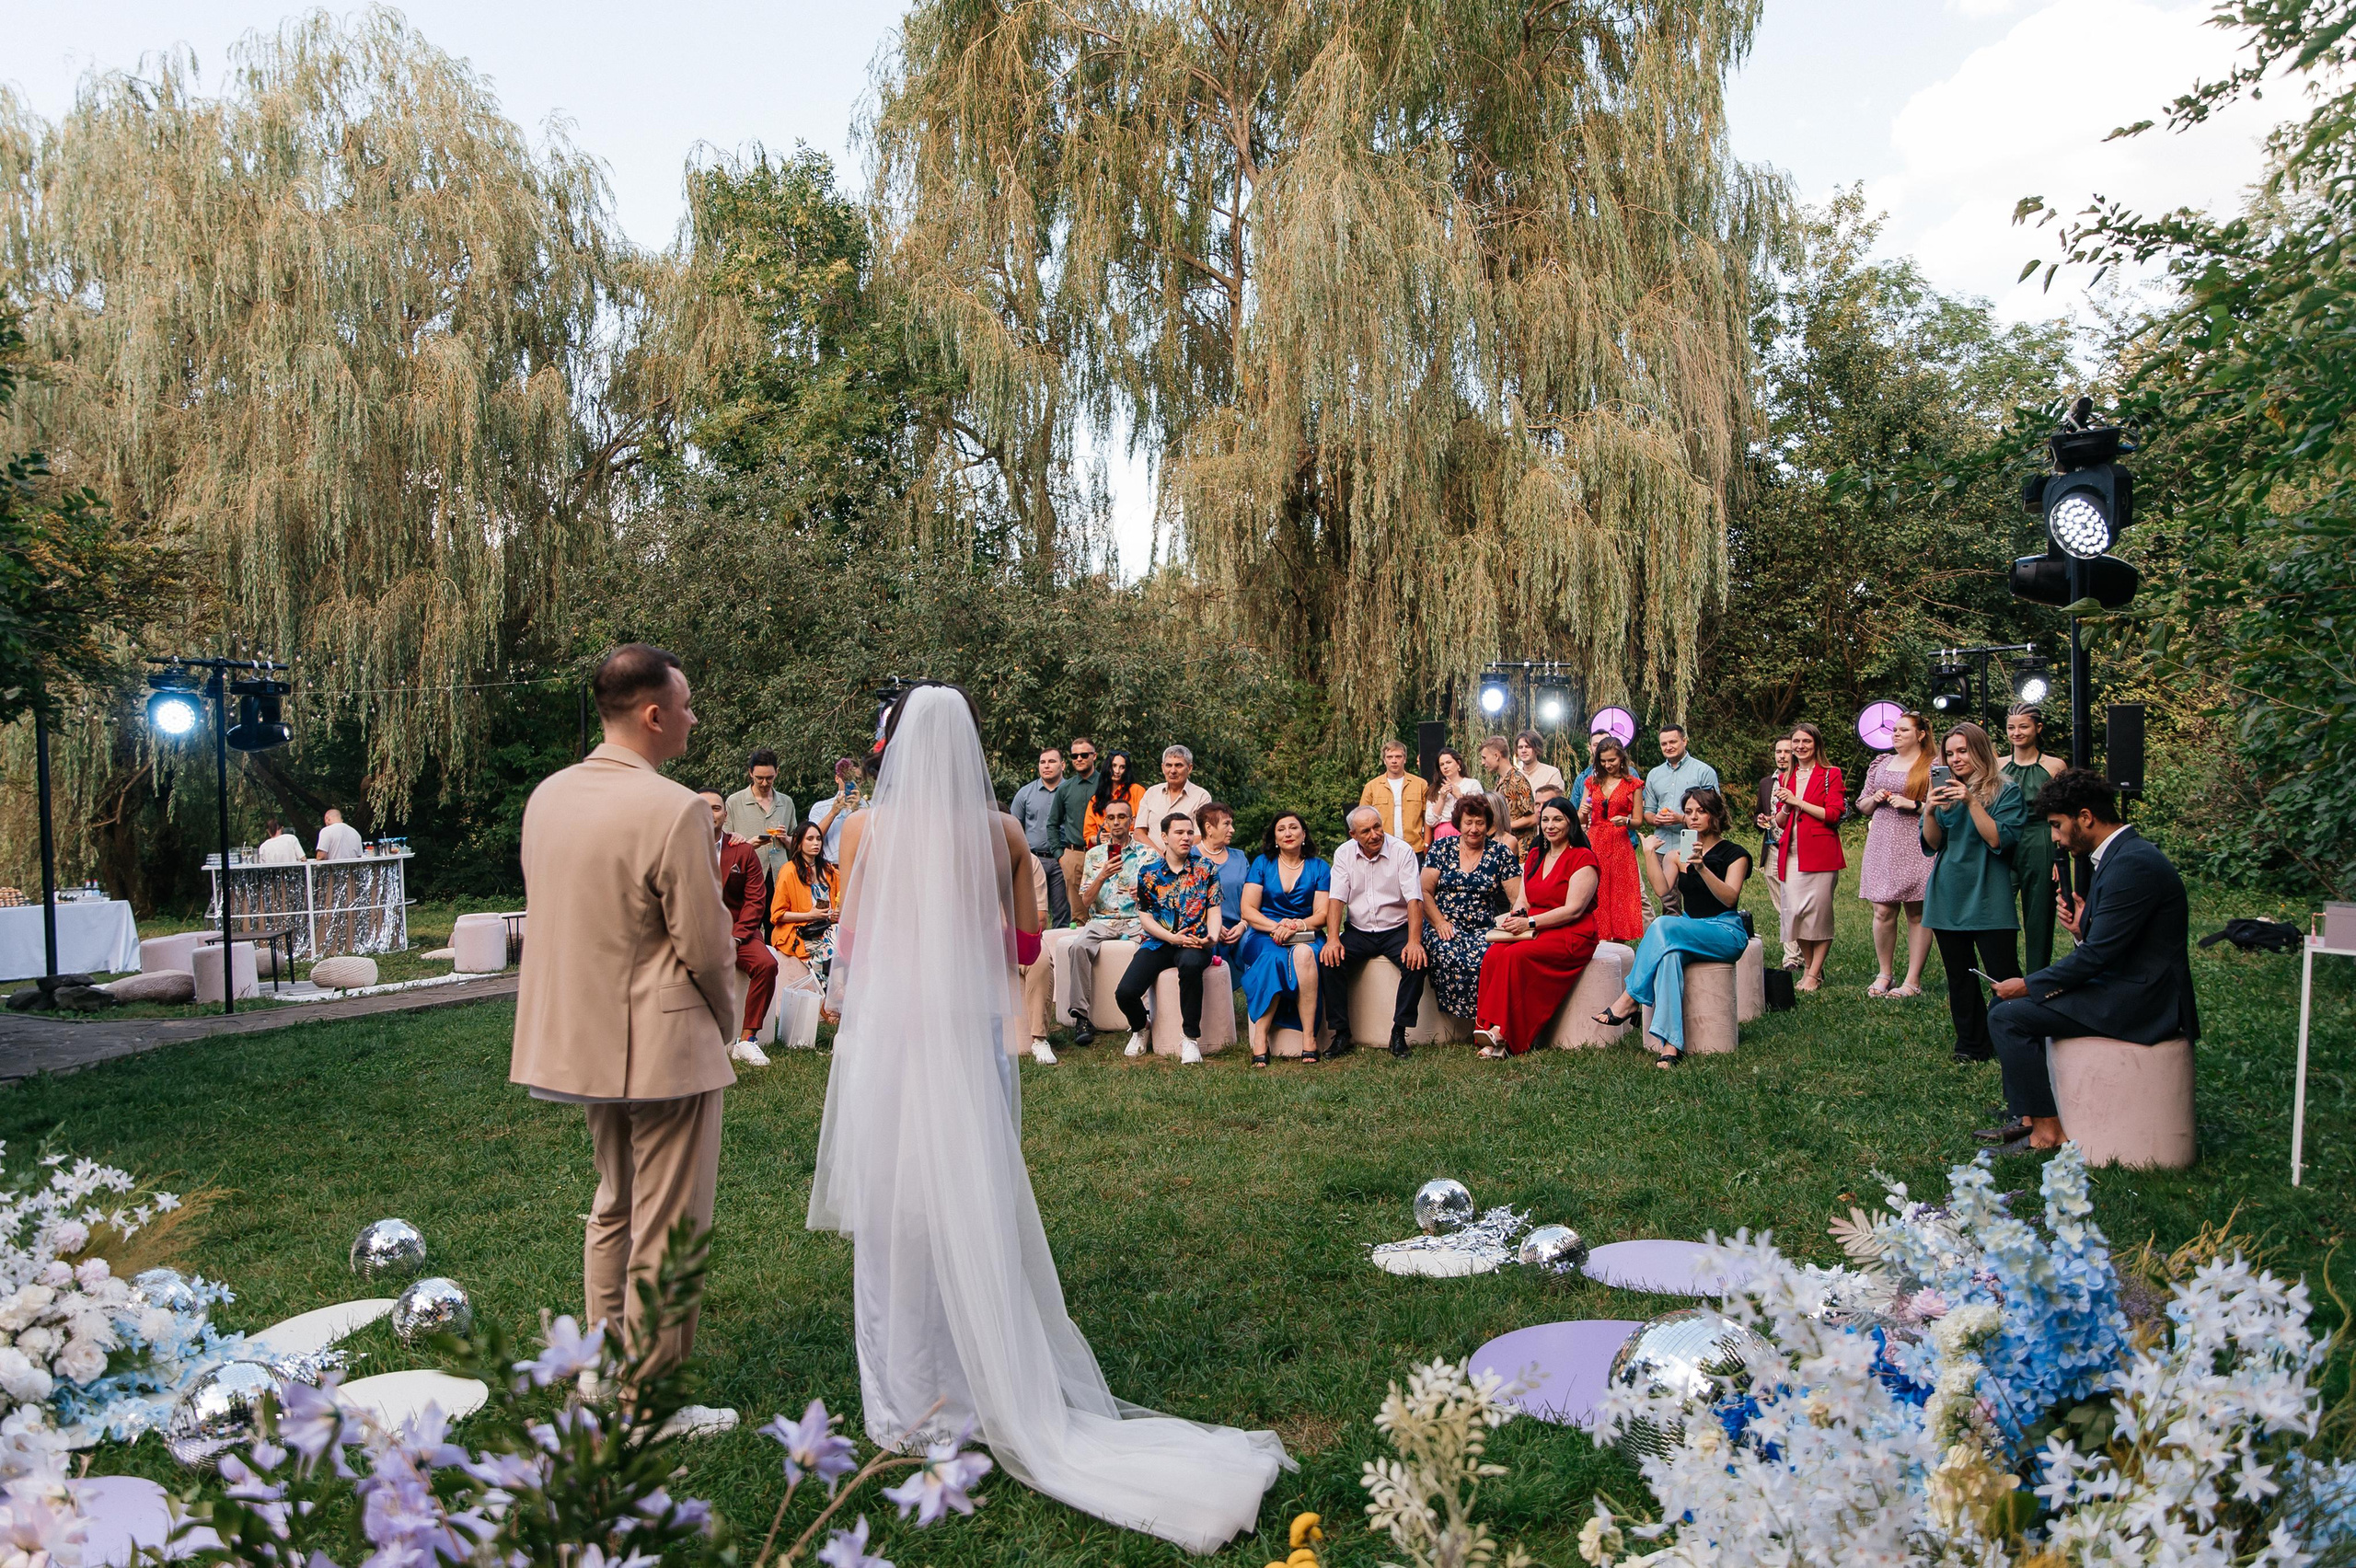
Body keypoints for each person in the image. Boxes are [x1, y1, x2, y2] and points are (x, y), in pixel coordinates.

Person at [807, 683, 1288, 1551]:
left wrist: (856, 999)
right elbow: (1029, 944)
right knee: (972, 1196)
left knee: (895, 1207)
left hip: (892, 1038)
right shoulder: (998, 832)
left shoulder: (864, 829)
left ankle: (905, 1402)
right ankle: (981, 1371)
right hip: (966, 1034)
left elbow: (854, 936)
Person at [513, 644, 738, 1429]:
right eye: (686, 703)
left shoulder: (547, 796)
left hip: (583, 1036)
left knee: (614, 1205)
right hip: (665, 1041)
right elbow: (705, 942)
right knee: (669, 1223)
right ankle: (650, 1402)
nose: (693, 716)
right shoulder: (670, 806)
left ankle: (600, 1376)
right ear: (653, 715)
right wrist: (729, 1014)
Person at [1985, 767, 2200, 1151]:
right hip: (2121, 983)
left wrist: (2031, 983)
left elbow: (2100, 957)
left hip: (2141, 1000)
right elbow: (2111, 943)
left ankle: (2047, 1131)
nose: (2055, 838)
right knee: (2001, 1003)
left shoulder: (2133, 862)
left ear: (2085, 817)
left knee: (2008, 1015)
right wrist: (2083, 929)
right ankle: (2031, 1112)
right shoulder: (2122, 854)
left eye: (2056, 825)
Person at [1594, 788, 1752, 1067]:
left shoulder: (1735, 854)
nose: (1693, 818)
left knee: (1666, 923)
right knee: (1668, 958)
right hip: (1688, 930)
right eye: (1689, 812)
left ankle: (1630, 997)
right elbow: (1662, 890)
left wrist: (1702, 868)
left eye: (1701, 811)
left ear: (1715, 815)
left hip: (1725, 931)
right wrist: (1649, 854)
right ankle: (1670, 1046)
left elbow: (1730, 897)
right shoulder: (1677, 855)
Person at [1920, 721, 2027, 1064]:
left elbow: (1997, 838)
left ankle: (2013, 1037)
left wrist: (1970, 800)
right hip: (1948, 890)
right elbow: (1934, 843)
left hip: (1988, 891)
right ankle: (1971, 1045)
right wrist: (1930, 809)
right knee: (1959, 977)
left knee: (2003, 973)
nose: (1955, 759)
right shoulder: (1943, 791)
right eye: (1949, 753)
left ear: (1979, 750)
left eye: (1962, 751)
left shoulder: (2005, 791)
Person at [1471, 797, 1600, 1057]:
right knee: (1495, 954)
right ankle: (1488, 1027)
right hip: (1534, 925)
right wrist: (1517, 915)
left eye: (1557, 819)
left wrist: (1529, 922)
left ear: (1570, 822)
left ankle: (1504, 1033)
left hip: (1571, 931)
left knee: (1517, 956)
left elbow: (1573, 910)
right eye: (1545, 820)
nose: (1550, 826)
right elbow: (1524, 898)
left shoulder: (1582, 858)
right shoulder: (1534, 855)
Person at [1322, 806, 1431, 1059]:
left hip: (1396, 928)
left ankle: (1398, 1032)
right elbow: (1336, 899)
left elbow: (1414, 899)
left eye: (1377, 827)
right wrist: (1333, 939)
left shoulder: (1402, 851)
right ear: (1353, 835)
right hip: (1359, 930)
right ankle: (1341, 1033)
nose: (1374, 834)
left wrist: (1414, 941)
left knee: (1416, 963)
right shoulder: (1343, 854)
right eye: (1366, 831)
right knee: (1330, 961)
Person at [1116, 813, 1224, 1062]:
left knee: (1189, 965)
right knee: (1125, 992)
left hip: (1195, 941)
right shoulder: (1148, 873)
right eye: (1179, 833)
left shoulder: (1206, 869)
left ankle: (1189, 1038)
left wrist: (1212, 937)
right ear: (1164, 837)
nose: (1186, 837)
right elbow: (1145, 917)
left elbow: (1214, 910)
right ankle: (1141, 1027)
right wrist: (1171, 938)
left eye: (1189, 832)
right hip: (1159, 941)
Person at [1235, 812, 1333, 1066]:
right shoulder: (1262, 864)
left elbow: (1322, 914)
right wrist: (1277, 926)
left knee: (1304, 953)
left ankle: (1309, 1037)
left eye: (1293, 828)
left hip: (1305, 931)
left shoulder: (1319, 867)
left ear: (1303, 835)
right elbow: (1248, 910)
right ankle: (1260, 1037)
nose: (1288, 833)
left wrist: (1297, 925)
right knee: (1272, 957)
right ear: (1275, 837)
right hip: (1264, 933)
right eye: (1281, 829)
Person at [1056, 798, 1154, 1047]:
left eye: (1122, 817)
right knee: (1078, 947)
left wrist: (1143, 893)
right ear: (1105, 822)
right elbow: (1086, 901)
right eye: (1111, 818)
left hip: (1136, 919)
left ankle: (1143, 1018)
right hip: (1101, 920)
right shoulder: (1095, 855)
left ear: (1131, 821)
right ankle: (1081, 1016)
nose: (1117, 822)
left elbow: (1159, 896)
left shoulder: (1147, 854)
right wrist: (1102, 875)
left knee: (1147, 949)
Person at [1419, 796, 1524, 1023]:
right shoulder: (1441, 848)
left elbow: (1518, 898)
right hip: (1443, 924)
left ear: (1488, 824)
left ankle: (1485, 1019)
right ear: (1459, 823)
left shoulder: (1500, 853)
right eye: (1468, 822)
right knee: (1447, 952)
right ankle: (1466, 1017)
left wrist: (1516, 921)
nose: (1474, 829)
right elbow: (1424, 892)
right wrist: (1439, 922)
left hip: (1482, 927)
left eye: (1480, 822)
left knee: (1487, 957)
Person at [1857, 711, 1936, 998]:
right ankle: (1884, 973)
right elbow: (1862, 804)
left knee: (1917, 911)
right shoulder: (1881, 763)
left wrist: (1914, 804)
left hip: (1917, 840)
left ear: (1921, 734)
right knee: (1882, 910)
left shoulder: (1933, 765)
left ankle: (1912, 980)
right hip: (1882, 841)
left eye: (1903, 730)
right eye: (1894, 730)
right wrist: (1874, 799)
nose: (1896, 734)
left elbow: (1944, 805)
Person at [699, 789, 778, 1068]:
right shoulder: (680, 848)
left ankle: (747, 1039)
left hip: (738, 932)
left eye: (716, 808)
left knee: (767, 964)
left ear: (726, 814)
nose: (710, 814)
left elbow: (756, 899)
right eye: (703, 807)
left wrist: (737, 936)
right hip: (695, 933)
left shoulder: (742, 851)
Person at [1772, 722, 1846, 991]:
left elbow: (1834, 814)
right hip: (1790, 853)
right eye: (1797, 742)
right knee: (1795, 914)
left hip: (1820, 853)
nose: (1800, 747)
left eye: (1806, 742)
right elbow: (1782, 820)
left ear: (1816, 745)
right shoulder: (1785, 777)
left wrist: (1798, 802)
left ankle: (1813, 973)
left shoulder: (1830, 774)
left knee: (1819, 914)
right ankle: (1812, 968)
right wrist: (1781, 810)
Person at [2003, 706, 2065, 973]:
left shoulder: (2054, 766)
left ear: (2037, 728)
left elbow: (2064, 812)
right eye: (2011, 727)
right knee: (1998, 911)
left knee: (2039, 916)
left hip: (2040, 838)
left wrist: (2059, 857)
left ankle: (2037, 977)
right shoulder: (1997, 764)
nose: (2017, 733)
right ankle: (2005, 974)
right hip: (2005, 840)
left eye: (2023, 727)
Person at [1641, 724, 1719, 917]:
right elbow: (1648, 813)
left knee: (1698, 896)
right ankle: (1673, 940)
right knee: (1668, 900)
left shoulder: (1703, 771)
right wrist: (1656, 819)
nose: (1668, 747)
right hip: (1663, 843)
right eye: (1664, 744)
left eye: (1673, 742)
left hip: (1695, 841)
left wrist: (1681, 818)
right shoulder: (1654, 774)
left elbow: (1714, 811)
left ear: (1684, 741)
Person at [1580, 735, 1645, 943]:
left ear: (1621, 758)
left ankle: (1619, 941)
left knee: (1619, 893)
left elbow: (1638, 821)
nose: (1607, 765)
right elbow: (1582, 817)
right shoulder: (1591, 782)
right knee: (1595, 888)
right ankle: (1595, 936)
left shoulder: (1633, 784)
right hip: (1595, 838)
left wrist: (1626, 820)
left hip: (1619, 842)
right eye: (1603, 761)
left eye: (1612, 761)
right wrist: (1583, 811)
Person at [768, 820, 837, 984]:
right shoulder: (789, 871)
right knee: (830, 949)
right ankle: (827, 1001)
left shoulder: (829, 870)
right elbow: (777, 915)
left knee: (848, 940)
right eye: (810, 839)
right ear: (798, 843)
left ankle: (837, 995)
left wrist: (836, 913)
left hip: (828, 927)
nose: (816, 843)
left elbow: (841, 900)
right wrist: (809, 915)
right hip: (801, 930)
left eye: (819, 839)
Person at [1011, 748, 1073, 927]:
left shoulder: (1070, 791)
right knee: (1032, 912)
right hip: (1033, 860)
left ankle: (1058, 952)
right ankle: (1036, 951)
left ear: (1062, 765)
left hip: (1062, 858)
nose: (1046, 766)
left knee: (1062, 912)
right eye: (1042, 762)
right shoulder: (1025, 793)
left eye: (1052, 761)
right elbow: (1012, 826)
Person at [724, 749, 797, 885]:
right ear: (751, 773)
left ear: (777, 772)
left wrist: (786, 839)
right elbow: (725, 845)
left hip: (781, 877)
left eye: (769, 778)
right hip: (748, 876)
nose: (764, 783)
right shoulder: (734, 802)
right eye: (759, 778)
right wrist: (748, 846)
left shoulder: (787, 802)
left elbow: (798, 844)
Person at [1754, 738, 1796, 968]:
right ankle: (1792, 953)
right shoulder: (1766, 783)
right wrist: (1759, 820)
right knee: (1781, 905)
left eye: (1787, 751)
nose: (1782, 756)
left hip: (1794, 848)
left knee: (1794, 903)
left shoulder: (1800, 780)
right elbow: (1759, 812)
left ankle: (1794, 956)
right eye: (1778, 751)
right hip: (1771, 847)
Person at [1196, 801, 1249, 966]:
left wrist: (1243, 925)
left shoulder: (1240, 857)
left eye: (1231, 824)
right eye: (1226, 824)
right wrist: (1211, 925)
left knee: (1254, 945)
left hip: (1239, 929)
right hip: (1201, 929)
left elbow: (1253, 898)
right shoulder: (1189, 858)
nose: (1232, 830)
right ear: (1209, 828)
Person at [1138, 745, 1212, 854]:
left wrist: (1173, 855)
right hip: (1150, 862)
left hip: (1186, 861)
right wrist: (1159, 854)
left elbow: (1201, 835)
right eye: (1169, 765)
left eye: (1178, 765)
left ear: (1190, 768)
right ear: (1163, 768)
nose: (1173, 770)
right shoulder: (1151, 793)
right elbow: (1139, 833)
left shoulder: (1201, 797)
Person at [1358, 740, 1431, 851]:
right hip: (1383, 847)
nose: (1394, 761)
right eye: (1390, 757)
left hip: (1414, 848)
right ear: (1384, 760)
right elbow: (1362, 819)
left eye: (1398, 757)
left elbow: (1428, 817)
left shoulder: (1421, 784)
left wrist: (1426, 844)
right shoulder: (1372, 787)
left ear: (1405, 759)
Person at [1056, 736, 1100, 910]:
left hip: (1101, 852)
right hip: (1074, 854)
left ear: (1094, 756)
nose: (1079, 759)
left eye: (1084, 755)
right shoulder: (1065, 788)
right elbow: (1052, 823)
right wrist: (1061, 856)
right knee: (1078, 912)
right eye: (1075, 756)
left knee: (1104, 909)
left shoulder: (1107, 783)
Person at [1482, 735, 1540, 845]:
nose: (1482, 763)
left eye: (1484, 758)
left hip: (1521, 849)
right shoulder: (1500, 780)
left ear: (1496, 756)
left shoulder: (1517, 780)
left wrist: (1503, 826)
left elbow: (1533, 818)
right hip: (1506, 844)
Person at [1084, 750, 1145, 848]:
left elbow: (1144, 827)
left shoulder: (1137, 791)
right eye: (1114, 766)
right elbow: (1088, 834)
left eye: (1122, 767)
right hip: (1104, 849)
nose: (1117, 771)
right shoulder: (1096, 799)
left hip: (1133, 847)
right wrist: (1097, 838)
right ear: (1108, 767)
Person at [808, 757, 863, 864]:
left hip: (861, 868)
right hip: (830, 869)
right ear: (837, 778)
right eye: (847, 778)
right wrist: (832, 813)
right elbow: (812, 838)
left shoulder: (869, 807)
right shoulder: (821, 807)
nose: (852, 784)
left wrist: (859, 810)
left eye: (857, 780)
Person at [1426, 747, 1480, 843]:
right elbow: (1430, 821)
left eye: (1448, 762)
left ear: (1458, 764)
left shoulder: (1472, 784)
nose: (1445, 767)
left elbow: (1478, 811)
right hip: (1442, 834)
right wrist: (1441, 798)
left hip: (1466, 831)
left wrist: (1459, 795)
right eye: (1442, 764)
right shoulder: (1434, 789)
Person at [1514, 730, 1566, 802]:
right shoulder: (1513, 777)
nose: (1523, 750)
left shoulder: (1552, 773)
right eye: (1520, 747)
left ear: (1537, 749)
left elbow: (1555, 805)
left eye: (1528, 746)